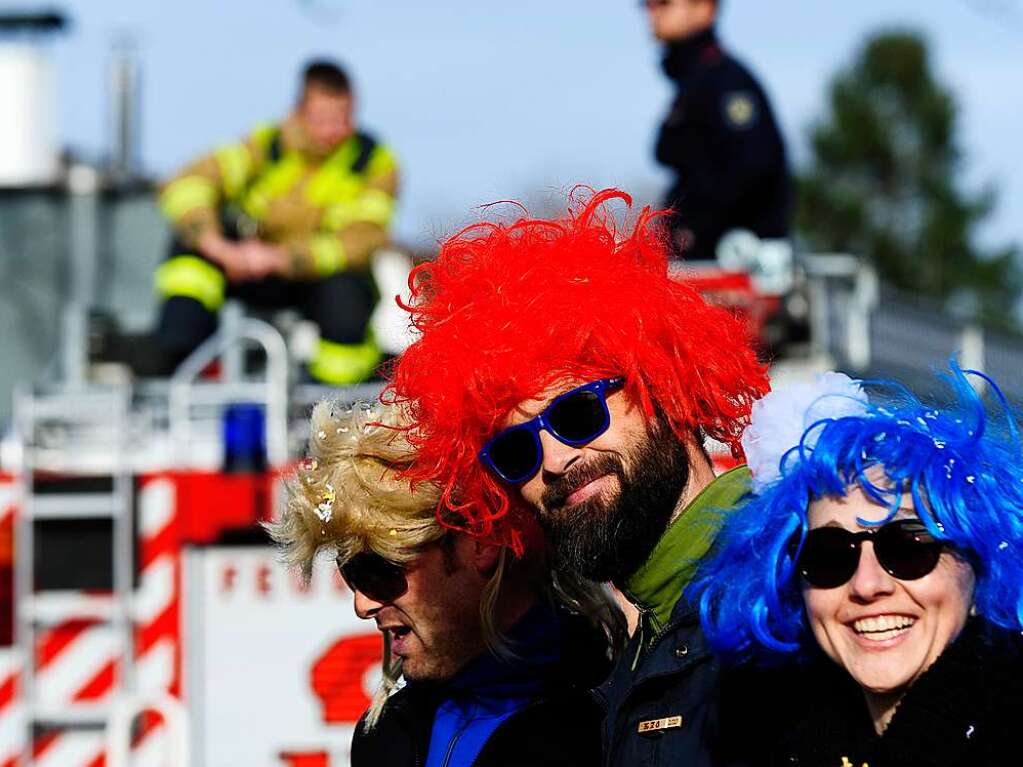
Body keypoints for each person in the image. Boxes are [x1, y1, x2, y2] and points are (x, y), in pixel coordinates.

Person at [387, 188, 771, 765]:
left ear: (658, 384)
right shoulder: (640, 643)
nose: (555, 461)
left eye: (576, 413)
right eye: (515, 451)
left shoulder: (788, 589)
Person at [693, 365, 1023, 766]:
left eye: (908, 546)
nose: (867, 584)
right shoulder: (764, 743)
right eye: (829, 554)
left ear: (980, 565)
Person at [269, 400, 624, 766]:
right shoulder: (388, 733)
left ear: (482, 542)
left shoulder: (617, 715)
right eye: (350, 574)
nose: (363, 606)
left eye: (379, 570)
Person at [152, 59, 397, 384]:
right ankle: (185, 369)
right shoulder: (266, 144)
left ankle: (331, 406)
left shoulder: (373, 161)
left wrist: (280, 258)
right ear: (299, 111)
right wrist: (220, 247)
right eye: (323, 119)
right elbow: (188, 182)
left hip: (316, 277)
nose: (334, 130)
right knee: (188, 258)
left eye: (344, 118)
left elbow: (360, 241)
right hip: (245, 269)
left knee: (347, 293)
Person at [643, 0, 790, 261]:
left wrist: (692, 231)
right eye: (648, 4)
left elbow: (753, 170)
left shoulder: (726, 82)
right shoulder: (695, 82)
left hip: (731, 265)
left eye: (663, 3)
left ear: (704, 9)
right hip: (700, 263)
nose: (651, 11)